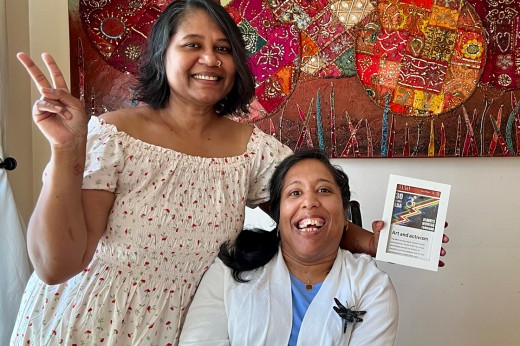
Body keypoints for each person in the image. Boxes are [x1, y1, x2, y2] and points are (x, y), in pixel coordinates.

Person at [10, 1, 392, 344]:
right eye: (193, 44)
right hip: (93, 323)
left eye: (223, 48)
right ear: (162, 55)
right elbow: (56, 265)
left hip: (190, 327)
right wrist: (66, 149)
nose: (210, 59)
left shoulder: (252, 151)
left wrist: (377, 242)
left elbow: (310, 212)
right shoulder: (115, 136)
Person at [179, 149, 399, 345]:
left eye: (324, 190)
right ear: (278, 215)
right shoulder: (231, 268)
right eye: (295, 193)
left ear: (344, 214)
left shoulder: (372, 286)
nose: (309, 202)